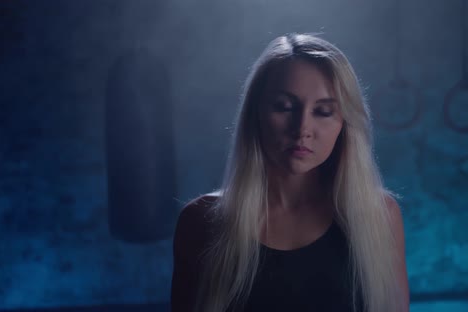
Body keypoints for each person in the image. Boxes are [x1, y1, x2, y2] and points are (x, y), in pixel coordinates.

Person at [171, 33, 409, 312]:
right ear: (256, 113)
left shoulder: (379, 216)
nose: (302, 129)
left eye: (323, 111)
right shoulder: (201, 222)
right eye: (284, 107)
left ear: (344, 123)